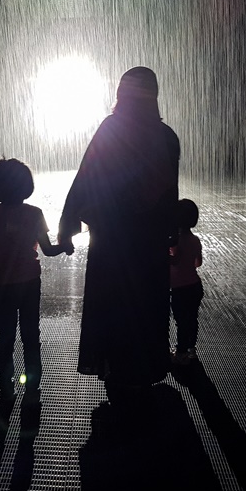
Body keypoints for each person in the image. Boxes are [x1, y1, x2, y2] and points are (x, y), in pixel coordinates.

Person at [58, 67, 180, 403]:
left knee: (114, 303)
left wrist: (68, 225)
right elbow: (171, 190)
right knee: (148, 303)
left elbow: (86, 178)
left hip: (112, 237)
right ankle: (146, 368)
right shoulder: (166, 137)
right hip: (149, 240)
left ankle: (118, 367)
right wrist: (173, 232)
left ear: (121, 95)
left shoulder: (110, 130)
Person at [0, 158, 67, 404]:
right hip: (29, 282)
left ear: (0, 186)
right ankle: (33, 384)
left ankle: (6, 385)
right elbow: (48, 250)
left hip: (2, 284)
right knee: (30, 334)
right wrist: (66, 246)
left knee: (5, 335)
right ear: (27, 186)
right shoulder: (35, 214)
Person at [169, 199, 203, 365]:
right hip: (195, 286)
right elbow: (198, 263)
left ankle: (180, 352)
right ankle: (191, 348)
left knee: (181, 321)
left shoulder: (177, 241)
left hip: (179, 288)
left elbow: (174, 262)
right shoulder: (195, 240)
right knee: (192, 318)